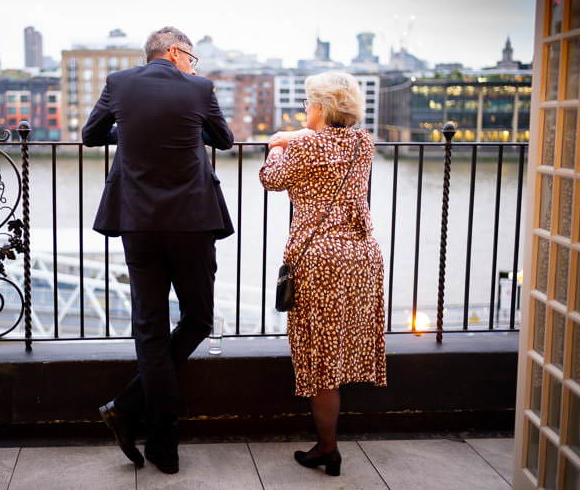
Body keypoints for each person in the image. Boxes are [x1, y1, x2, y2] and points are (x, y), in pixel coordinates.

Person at [82, 26, 234, 475]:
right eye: (191, 57)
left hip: (138, 222)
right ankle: (133, 417)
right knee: (198, 319)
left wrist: (128, 131)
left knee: (148, 327)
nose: (193, 65)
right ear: (174, 52)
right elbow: (223, 140)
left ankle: (148, 430)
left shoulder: (118, 84)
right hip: (192, 222)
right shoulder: (200, 89)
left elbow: (92, 135)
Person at [259, 71, 386, 477]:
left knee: (321, 359)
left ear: (317, 107)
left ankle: (327, 447)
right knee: (342, 345)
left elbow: (270, 180)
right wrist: (297, 133)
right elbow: (324, 138)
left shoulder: (303, 149)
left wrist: (276, 146)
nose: (303, 111)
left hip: (320, 260)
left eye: (306, 105)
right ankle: (328, 443)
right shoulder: (364, 143)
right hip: (362, 255)